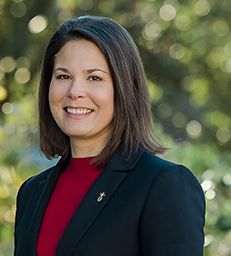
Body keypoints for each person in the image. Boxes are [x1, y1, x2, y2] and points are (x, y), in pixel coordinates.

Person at [14, 16, 205, 256]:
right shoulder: (31, 193)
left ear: (124, 88)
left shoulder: (163, 185)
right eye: (63, 76)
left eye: (94, 78)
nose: (75, 92)